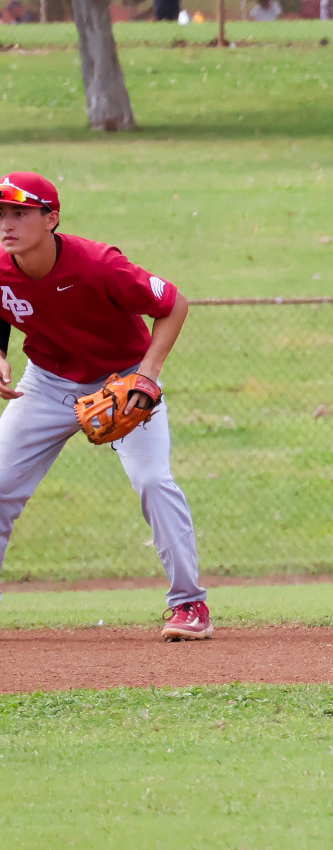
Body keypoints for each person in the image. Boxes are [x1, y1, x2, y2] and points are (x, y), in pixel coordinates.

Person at [0, 173, 211, 640]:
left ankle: (190, 604)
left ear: (51, 219)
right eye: (1, 213)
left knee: (153, 481)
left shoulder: (99, 265)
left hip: (125, 379)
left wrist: (148, 375)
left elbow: (173, 304)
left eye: (20, 212)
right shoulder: (0, 265)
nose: (7, 223)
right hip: (47, 384)